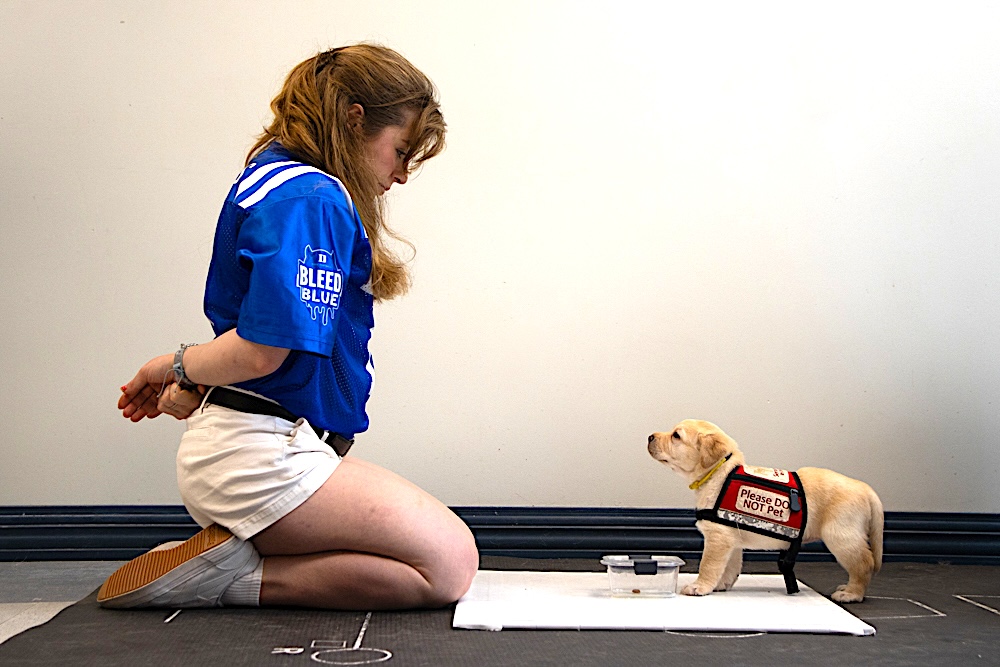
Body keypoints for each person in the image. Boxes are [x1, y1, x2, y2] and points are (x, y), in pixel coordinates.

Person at [99, 44, 479, 611]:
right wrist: (173, 364)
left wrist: (198, 382)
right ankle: (230, 579)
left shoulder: (278, 182)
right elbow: (262, 352)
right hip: (259, 458)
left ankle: (228, 558)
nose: (401, 174)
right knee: (449, 564)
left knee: (429, 564)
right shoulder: (311, 196)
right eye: (400, 151)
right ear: (355, 119)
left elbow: (263, 336)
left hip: (258, 446)